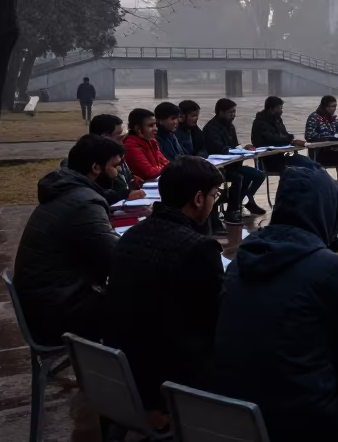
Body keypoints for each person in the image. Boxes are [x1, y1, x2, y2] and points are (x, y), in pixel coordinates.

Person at [209, 167, 338, 442]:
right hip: (297, 418)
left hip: (236, 408)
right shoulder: (327, 266)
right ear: (326, 211)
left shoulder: (242, 259)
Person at [105, 156, 226, 412]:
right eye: (214, 195)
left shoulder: (131, 235)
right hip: (168, 382)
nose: (214, 203)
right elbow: (215, 317)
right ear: (198, 198)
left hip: (122, 371)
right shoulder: (200, 249)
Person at [13, 134, 123, 344]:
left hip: (47, 301)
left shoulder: (66, 189)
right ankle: (128, 373)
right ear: (96, 168)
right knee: (146, 306)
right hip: (58, 313)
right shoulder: (84, 202)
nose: (117, 174)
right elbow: (115, 257)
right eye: (114, 166)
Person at [204, 98, 267, 227]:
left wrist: (244, 148)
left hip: (234, 164)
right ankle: (232, 210)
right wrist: (235, 150)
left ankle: (244, 200)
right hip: (220, 167)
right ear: (221, 112)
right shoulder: (211, 128)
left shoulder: (230, 126)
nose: (233, 115)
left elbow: (235, 145)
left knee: (259, 175)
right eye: (230, 112)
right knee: (238, 178)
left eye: (234, 112)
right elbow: (217, 149)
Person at [86, 114, 145, 206]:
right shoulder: (94, 162)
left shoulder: (115, 153)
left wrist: (132, 180)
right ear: (105, 136)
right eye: (119, 136)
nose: (122, 141)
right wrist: (120, 186)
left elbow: (127, 179)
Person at [251, 96, 317, 174]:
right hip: (269, 160)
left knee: (313, 164)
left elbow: (284, 135)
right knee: (301, 169)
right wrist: (289, 139)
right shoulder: (260, 122)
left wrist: (293, 141)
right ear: (271, 109)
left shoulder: (278, 120)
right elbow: (273, 139)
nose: (281, 111)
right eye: (279, 108)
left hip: (284, 155)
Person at [125, 107, 170, 181]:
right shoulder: (130, 145)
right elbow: (150, 173)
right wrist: (165, 167)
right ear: (138, 128)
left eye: (155, 125)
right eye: (151, 126)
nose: (156, 129)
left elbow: (165, 162)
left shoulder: (152, 141)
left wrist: (163, 167)